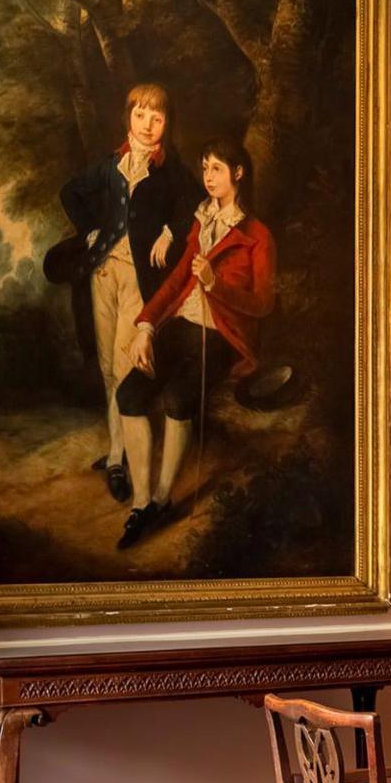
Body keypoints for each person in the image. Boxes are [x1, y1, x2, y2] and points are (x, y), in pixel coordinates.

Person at [112, 137, 276, 549]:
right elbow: (175, 281)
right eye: (204, 168)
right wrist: (147, 325)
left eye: (216, 168)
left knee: (178, 399)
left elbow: (262, 304)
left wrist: (215, 285)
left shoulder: (257, 236)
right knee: (130, 394)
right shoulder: (201, 222)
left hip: (221, 336)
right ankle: (142, 501)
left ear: (238, 173)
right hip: (182, 326)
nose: (207, 177)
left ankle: (163, 498)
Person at [54, 83, 201, 506]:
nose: (148, 124)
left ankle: (119, 458)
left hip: (141, 281)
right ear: (128, 117)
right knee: (105, 365)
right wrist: (91, 228)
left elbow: (195, 206)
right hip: (102, 275)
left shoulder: (172, 169)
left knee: (124, 366)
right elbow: (70, 192)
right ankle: (116, 447)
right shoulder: (110, 165)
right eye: (141, 115)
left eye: (157, 117)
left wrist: (170, 231)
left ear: (167, 124)